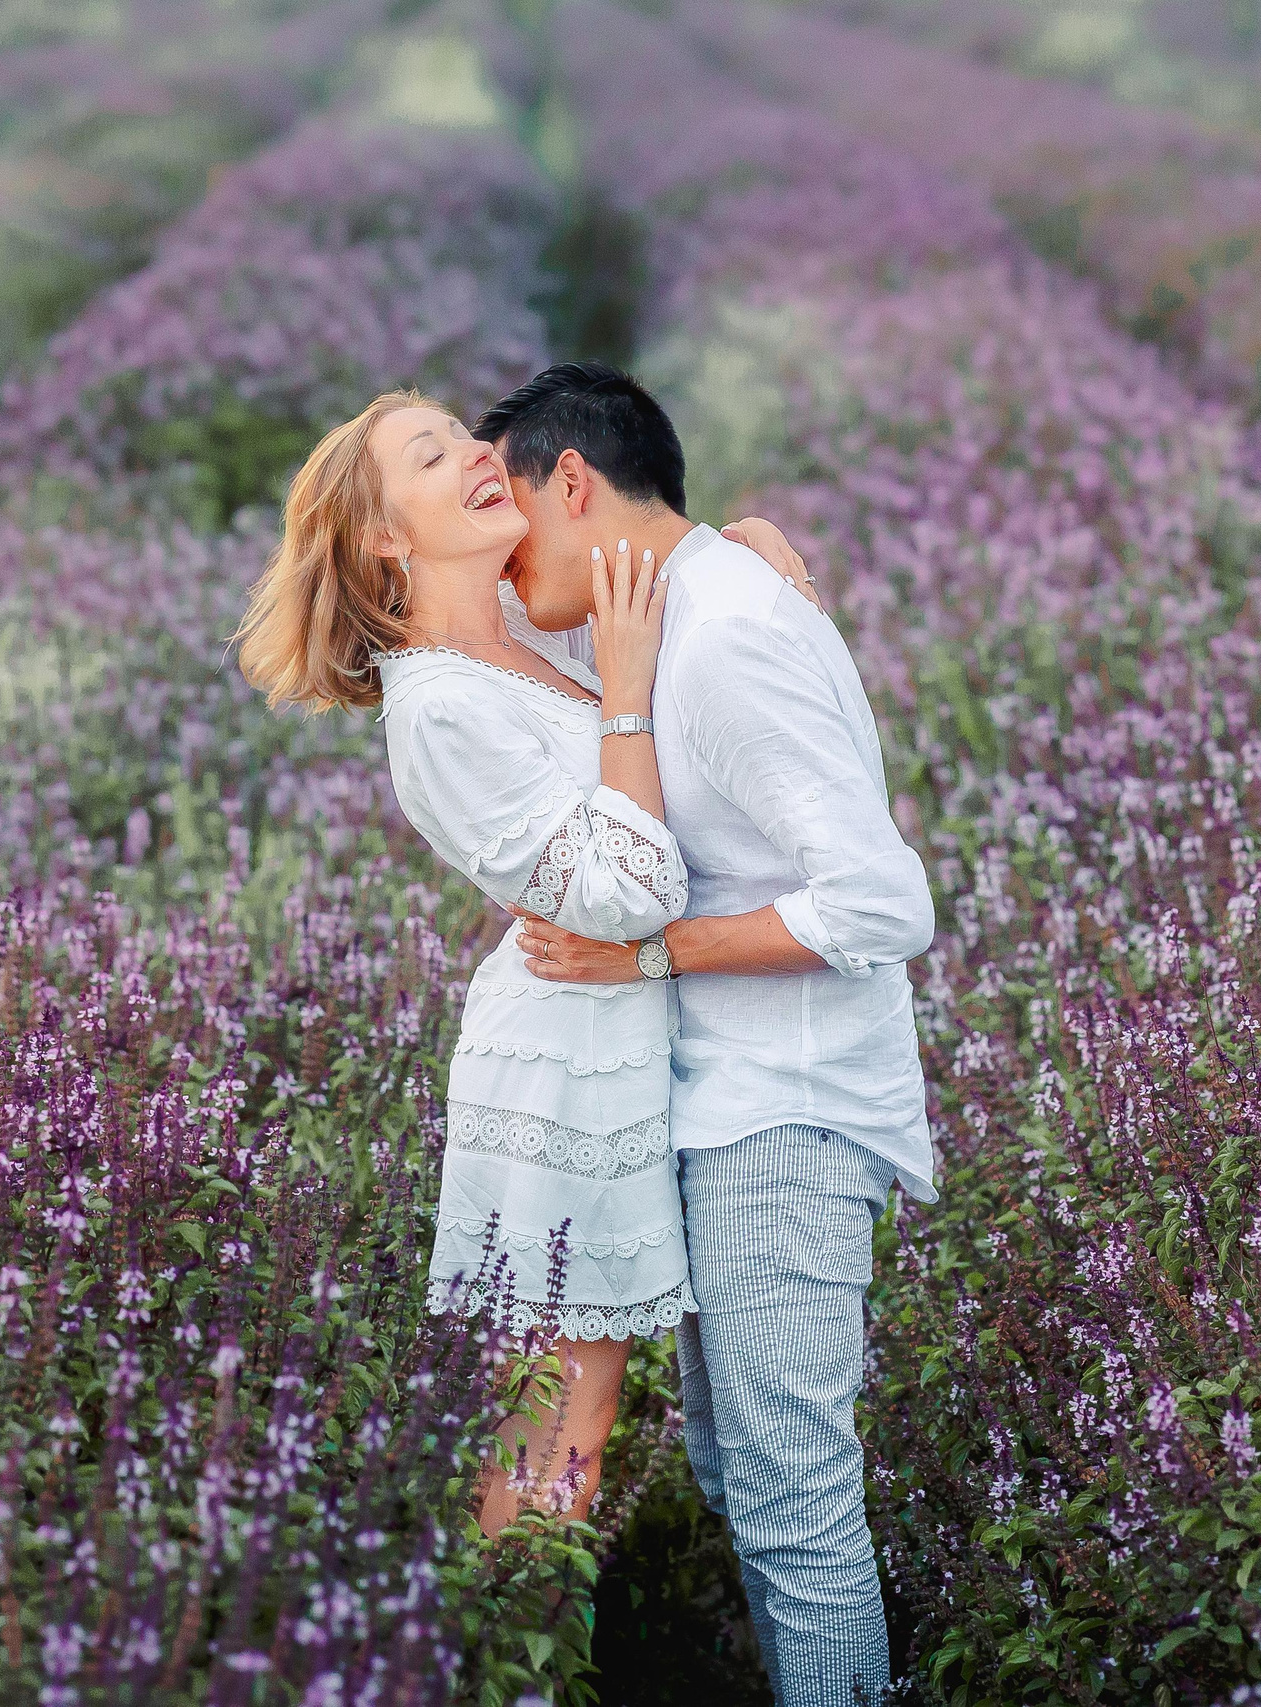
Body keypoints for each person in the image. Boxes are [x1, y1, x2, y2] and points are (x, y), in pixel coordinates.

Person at [233, 389, 808, 1535]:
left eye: (466, 436)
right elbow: (629, 894)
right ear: (384, 539)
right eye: (431, 454)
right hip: (563, 1070)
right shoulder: (439, 711)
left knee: (584, 1421)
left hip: (624, 1041)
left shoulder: (520, 636)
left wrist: (742, 551)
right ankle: (509, 1661)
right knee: (563, 1431)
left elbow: (652, 577)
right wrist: (630, 694)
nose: (479, 456)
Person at [478, 361, 936, 1707]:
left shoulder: (726, 631)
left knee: (794, 1497)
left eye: (509, 516)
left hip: (786, 1112)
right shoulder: (666, 604)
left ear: (573, 482)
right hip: (726, 1106)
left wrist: (650, 950)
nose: (506, 564)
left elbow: (881, 896)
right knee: (755, 1479)